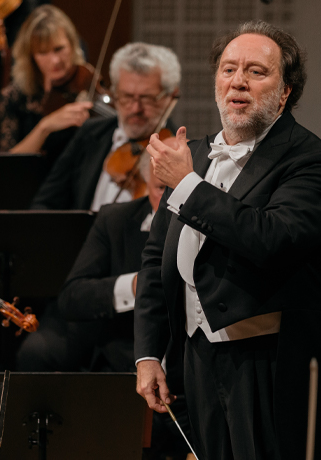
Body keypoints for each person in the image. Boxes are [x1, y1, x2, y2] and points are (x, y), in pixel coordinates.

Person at [134, 20, 321, 460]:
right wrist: (147, 355)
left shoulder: (308, 159)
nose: (238, 80)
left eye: (257, 71)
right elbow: (154, 258)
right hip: (196, 357)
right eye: (228, 69)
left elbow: (272, 238)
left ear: (285, 91)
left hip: (266, 364)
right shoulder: (195, 154)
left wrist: (187, 187)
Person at [16, 151, 193, 459]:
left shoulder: (209, 222)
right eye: (159, 189)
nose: (169, 204)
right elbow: (72, 297)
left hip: (190, 381)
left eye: (178, 191)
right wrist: (134, 287)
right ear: (145, 184)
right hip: (125, 376)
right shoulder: (115, 219)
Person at [30, 41, 181, 211]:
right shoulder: (90, 133)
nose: (135, 108)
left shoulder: (180, 153)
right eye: (126, 96)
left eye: (147, 98)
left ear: (171, 96)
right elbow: (45, 204)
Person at [0, 4, 93, 166]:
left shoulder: (88, 83)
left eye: (59, 49)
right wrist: (45, 127)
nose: (55, 60)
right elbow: (7, 164)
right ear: (30, 56)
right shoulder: (13, 97)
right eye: (43, 52)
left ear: (72, 45)